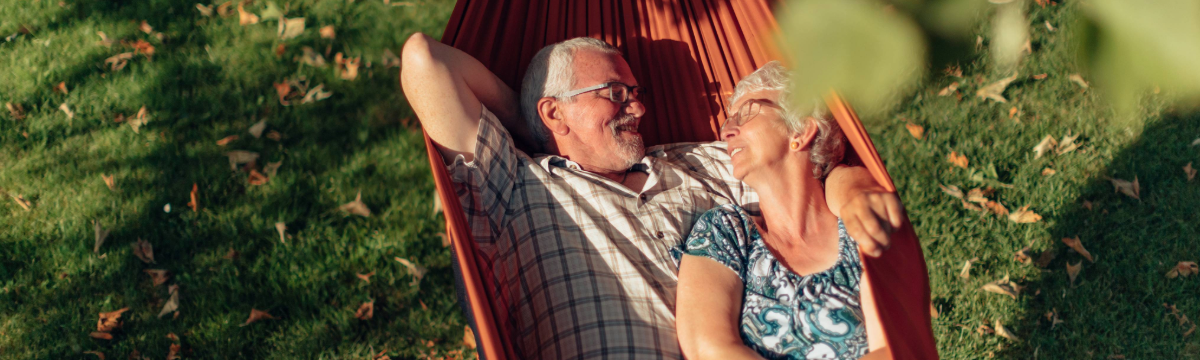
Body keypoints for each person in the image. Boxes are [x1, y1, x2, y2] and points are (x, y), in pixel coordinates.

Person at [401, 33, 904, 359]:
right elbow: (425, 61)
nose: (638, 106)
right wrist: (535, 125)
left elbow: (805, 163)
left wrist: (854, 188)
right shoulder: (515, 186)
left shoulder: (701, 162)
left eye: (637, 92)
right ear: (555, 112)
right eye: (615, 92)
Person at [674, 62, 891, 360]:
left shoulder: (858, 224)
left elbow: (891, 347)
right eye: (728, 120)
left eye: (746, 112)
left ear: (800, 130)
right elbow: (708, 349)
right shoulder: (725, 232)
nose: (726, 131)